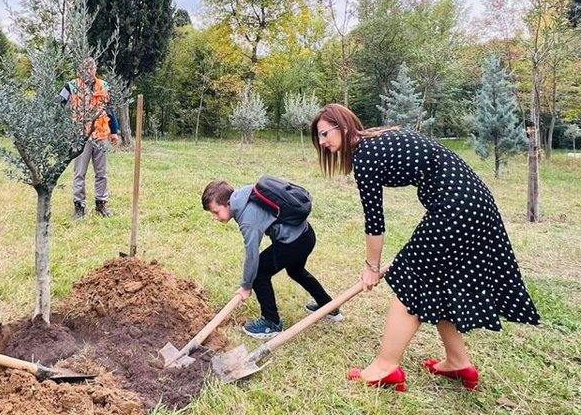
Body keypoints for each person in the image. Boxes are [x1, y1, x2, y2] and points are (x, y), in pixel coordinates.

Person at [310, 103, 539, 392]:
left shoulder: (365, 157)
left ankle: (385, 367)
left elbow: (375, 222)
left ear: (342, 126)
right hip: (474, 202)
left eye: (324, 134)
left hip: (454, 208)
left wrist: (371, 268)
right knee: (438, 282)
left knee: (410, 282)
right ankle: (458, 361)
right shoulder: (378, 139)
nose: (322, 142)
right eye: (318, 138)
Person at [201, 178, 341, 338]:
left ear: (227, 203)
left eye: (216, 212)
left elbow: (252, 255)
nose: (215, 217)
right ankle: (330, 307)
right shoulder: (245, 194)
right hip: (306, 234)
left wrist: (246, 286)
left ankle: (271, 322)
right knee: (297, 272)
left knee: (259, 273)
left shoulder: (247, 219)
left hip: (294, 242)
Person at [59, 56, 121, 218]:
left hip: (101, 135)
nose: (88, 72)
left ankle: (101, 204)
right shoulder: (71, 86)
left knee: (102, 172)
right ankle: (79, 207)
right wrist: (62, 127)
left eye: (91, 69)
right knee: (80, 172)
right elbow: (56, 105)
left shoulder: (104, 86)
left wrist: (114, 131)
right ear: (81, 71)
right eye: (85, 69)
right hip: (81, 136)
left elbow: (110, 110)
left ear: (95, 69)